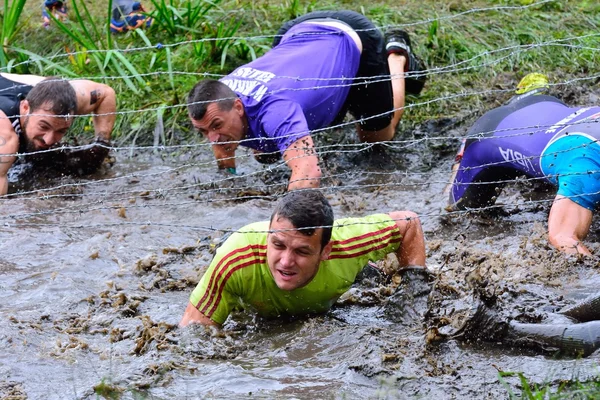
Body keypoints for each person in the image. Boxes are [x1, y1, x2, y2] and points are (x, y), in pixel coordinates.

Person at [187, 10, 427, 191]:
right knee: (265, 154)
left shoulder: (276, 110)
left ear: (238, 106)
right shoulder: (220, 96)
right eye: (203, 132)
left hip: (351, 35)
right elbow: (219, 140)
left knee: (377, 139)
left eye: (216, 126)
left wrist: (277, 229)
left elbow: (308, 174)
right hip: (293, 32)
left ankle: (396, 55)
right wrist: (229, 181)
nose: (213, 139)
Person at [179, 189, 426, 327]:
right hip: (258, 307)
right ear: (267, 236)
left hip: (340, 278)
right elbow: (193, 335)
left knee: (371, 277)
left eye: (301, 251)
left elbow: (409, 223)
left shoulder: (349, 243)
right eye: (278, 245)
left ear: (325, 250)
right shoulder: (234, 259)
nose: (285, 261)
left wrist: (409, 300)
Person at [446, 72, 600, 255]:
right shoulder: (585, 167)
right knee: (460, 211)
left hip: (546, 106)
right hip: (489, 133)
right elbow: (563, 238)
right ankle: (461, 154)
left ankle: (529, 95)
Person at [0, 73, 117, 195]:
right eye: (44, 126)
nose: (49, 140)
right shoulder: (5, 137)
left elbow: (106, 94)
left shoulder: (72, 100)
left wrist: (101, 146)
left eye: (61, 131)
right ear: (25, 108)